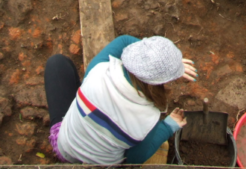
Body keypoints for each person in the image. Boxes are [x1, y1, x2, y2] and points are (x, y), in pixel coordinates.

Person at [44, 36, 197, 164]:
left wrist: (159, 64)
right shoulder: (148, 119)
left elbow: (123, 41)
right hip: (103, 166)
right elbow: (135, 159)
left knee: (57, 64)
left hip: (66, 150)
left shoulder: (99, 70)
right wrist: (169, 126)